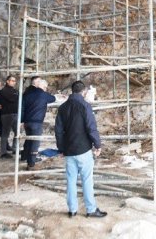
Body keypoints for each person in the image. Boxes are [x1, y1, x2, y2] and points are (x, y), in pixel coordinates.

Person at [55, 80, 106, 218]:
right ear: (83, 92)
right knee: (87, 180)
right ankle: (90, 209)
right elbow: (91, 127)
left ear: (72, 91)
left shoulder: (62, 108)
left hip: (69, 150)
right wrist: (97, 145)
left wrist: (61, 148)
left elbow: (58, 131)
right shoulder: (85, 106)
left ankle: (72, 210)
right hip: (83, 149)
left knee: (71, 180)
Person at [21, 77, 56, 169]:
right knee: (35, 142)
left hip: (27, 122)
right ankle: (31, 163)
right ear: (44, 87)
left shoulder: (28, 94)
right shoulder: (43, 94)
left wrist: (22, 120)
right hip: (36, 122)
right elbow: (53, 98)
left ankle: (24, 156)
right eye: (46, 88)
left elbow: (22, 108)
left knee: (29, 139)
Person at [0, 75, 19, 159]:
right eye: (12, 81)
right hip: (7, 114)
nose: (14, 82)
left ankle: (15, 148)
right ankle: (3, 152)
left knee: (17, 132)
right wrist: (17, 95)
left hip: (15, 113)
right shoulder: (3, 90)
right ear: (7, 81)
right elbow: (12, 99)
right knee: (5, 134)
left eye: (15, 81)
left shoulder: (15, 91)